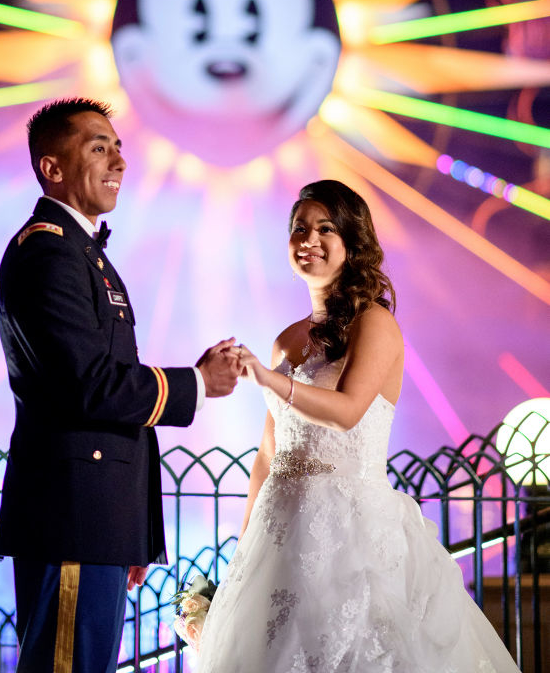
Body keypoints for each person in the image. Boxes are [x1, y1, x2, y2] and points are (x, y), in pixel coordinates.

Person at [196, 179, 521, 673]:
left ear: (351, 241)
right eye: (299, 228)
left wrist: (267, 378)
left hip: (352, 533)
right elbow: (268, 453)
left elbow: (348, 411)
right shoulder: (286, 339)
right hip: (280, 534)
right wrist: (243, 551)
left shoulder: (374, 323)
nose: (309, 239)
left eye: (325, 228)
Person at [0, 97, 240, 673]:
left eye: (118, 147)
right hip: (74, 518)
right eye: (98, 147)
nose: (118, 161)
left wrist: (128, 530)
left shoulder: (81, 253)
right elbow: (91, 387)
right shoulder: (50, 253)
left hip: (94, 518)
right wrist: (198, 384)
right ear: (52, 169)